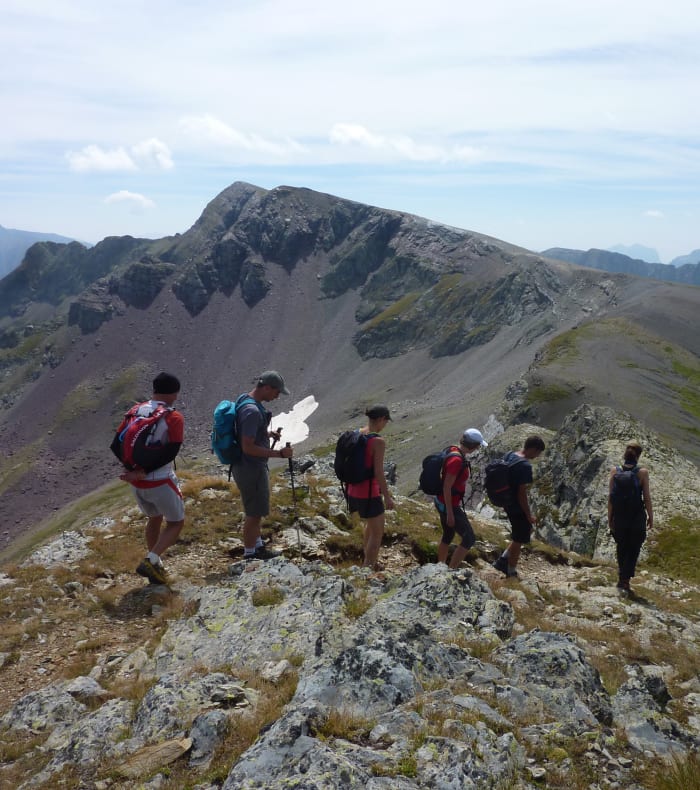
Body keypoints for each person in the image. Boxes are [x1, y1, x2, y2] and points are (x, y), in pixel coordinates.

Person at [119, 372, 185, 585]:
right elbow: (171, 452)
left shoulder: (135, 411)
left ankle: (156, 566)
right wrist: (146, 470)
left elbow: (118, 443)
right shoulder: (173, 416)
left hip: (137, 483)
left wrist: (134, 471)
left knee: (154, 518)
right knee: (176, 523)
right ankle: (152, 559)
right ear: (173, 393)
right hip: (160, 479)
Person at [231, 371, 293, 561]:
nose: (277, 396)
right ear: (266, 387)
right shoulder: (252, 411)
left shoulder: (245, 400)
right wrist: (279, 454)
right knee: (254, 512)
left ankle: (257, 545)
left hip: (245, 466)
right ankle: (250, 554)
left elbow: (247, 433)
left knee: (256, 508)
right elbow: (248, 446)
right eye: (276, 392)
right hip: (251, 467)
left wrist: (267, 434)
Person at [346, 405, 395, 570]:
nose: (385, 425)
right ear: (381, 419)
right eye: (386, 421)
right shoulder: (378, 441)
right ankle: (367, 570)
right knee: (378, 532)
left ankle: (367, 559)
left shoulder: (356, 433)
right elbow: (379, 472)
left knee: (370, 525)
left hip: (352, 490)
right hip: (369, 492)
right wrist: (387, 497)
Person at [492, 435, 546, 579]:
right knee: (520, 538)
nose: (537, 456)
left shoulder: (510, 454)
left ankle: (502, 560)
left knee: (519, 535)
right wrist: (528, 514)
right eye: (538, 452)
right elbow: (522, 493)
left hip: (506, 501)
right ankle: (511, 571)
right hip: (516, 506)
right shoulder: (525, 466)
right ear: (533, 449)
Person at [436, 429, 488, 569]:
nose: (478, 448)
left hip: (441, 502)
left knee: (448, 534)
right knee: (469, 538)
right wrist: (450, 514)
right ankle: (450, 570)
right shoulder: (456, 460)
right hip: (449, 505)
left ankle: (440, 567)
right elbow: (447, 487)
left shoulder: (453, 450)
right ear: (472, 445)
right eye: (477, 445)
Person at [608, 441, 653, 594]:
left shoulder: (615, 470)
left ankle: (621, 578)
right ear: (638, 456)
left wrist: (610, 518)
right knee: (634, 548)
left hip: (620, 516)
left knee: (622, 546)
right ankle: (626, 580)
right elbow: (646, 497)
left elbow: (611, 498)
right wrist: (650, 516)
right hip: (636, 517)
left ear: (625, 453)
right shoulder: (643, 473)